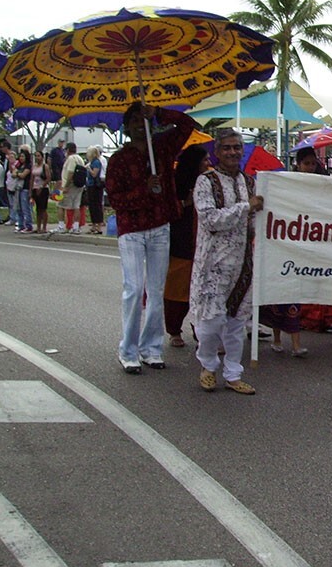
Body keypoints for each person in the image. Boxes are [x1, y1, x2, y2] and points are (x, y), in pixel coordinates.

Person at [106, 102, 195, 374]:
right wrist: (145, 190)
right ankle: (128, 350)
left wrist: (157, 112)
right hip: (132, 230)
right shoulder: (119, 160)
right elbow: (116, 200)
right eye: (133, 121)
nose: (138, 126)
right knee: (134, 289)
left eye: (141, 120)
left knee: (156, 290)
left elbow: (189, 126)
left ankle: (151, 348)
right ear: (126, 127)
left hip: (160, 226)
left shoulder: (163, 148)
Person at [192, 129, 264, 394]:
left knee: (237, 323)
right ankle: (208, 367)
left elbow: (256, 223)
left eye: (237, 147)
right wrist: (247, 208)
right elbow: (210, 219)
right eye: (228, 148)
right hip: (213, 264)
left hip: (243, 263)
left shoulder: (250, 183)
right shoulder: (205, 182)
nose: (233, 152)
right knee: (211, 322)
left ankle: (233, 373)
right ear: (217, 152)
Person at [264, 146, 320, 358]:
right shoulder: (285, 183)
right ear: (298, 164)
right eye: (306, 163)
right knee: (279, 293)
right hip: (283, 245)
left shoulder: (320, 185)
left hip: (304, 246)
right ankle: (277, 338)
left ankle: (296, 344)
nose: (310, 168)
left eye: (313, 164)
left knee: (295, 293)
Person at [163, 144, 210, 349]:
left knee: (204, 292)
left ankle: (200, 330)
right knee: (177, 292)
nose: (208, 164)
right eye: (204, 160)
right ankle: (174, 330)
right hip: (181, 245)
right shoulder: (176, 182)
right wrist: (186, 203)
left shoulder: (210, 182)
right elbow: (166, 211)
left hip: (204, 244)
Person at [56, 142, 85, 234]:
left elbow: (70, 172)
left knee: (61, 205)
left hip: (70, 186)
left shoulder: (71, 159)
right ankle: (75, 227)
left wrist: (66, 186)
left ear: (68, 150)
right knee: (76, 206)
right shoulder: (80, 158)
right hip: (78, 186)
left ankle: (61, 226)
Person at [84, 146, 105, 234]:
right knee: (91, 205)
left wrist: (89, 168)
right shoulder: (91, 162)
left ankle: (99, 226)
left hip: (96, 186)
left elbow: (94, 174)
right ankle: (93, 225)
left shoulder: (96, 162)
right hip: (89, 185)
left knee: (97, 205)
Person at [12, 150, 34, 233]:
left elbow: (23, 175)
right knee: (19, 208)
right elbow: (13, 173)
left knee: (25, 208)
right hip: (18, 188)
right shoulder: (19, 166)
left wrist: (18, 174)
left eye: (23, 156)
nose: (21, 158)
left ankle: (28, 225)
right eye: (20, 156)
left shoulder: (28, 166)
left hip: (25, 188)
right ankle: (21, 225)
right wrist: (18, 173)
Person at [30, 150, 51, 234]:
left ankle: (44, 227)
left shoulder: (45, 166)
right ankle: (38, 227)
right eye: (35, 156)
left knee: (43, 209)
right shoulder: (34, 166)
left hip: (43, 189)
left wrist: (42, 186)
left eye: (38, 156)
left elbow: (48, 178)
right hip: (35, 188)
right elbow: (32, 179)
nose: (37, 157)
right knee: (38, 209)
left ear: (42, 157)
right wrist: (31, 190)